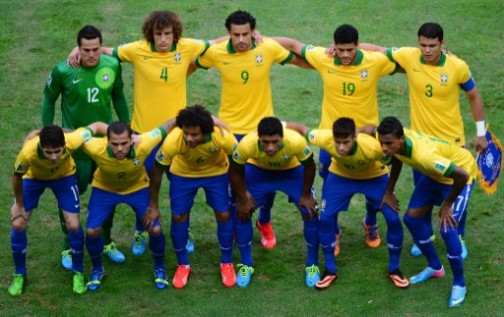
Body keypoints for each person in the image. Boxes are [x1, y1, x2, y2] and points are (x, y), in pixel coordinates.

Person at [360, 22, 487, 258]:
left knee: (457, 192)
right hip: (420, 144)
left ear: (442, 44)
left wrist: (480, 132)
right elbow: (378, 50)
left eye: (432, 45)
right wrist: (347, 47)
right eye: (423, 45)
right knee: (423, 190)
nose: (427, 50)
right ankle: (425, 236)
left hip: (451, 142)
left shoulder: (457, 66)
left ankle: (458, 235)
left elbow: (474, 95)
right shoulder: (410, 57)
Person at [274, 24, 399, 254]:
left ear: (357, 46)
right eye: (340, 49)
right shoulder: (324, 58)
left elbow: (403, 59)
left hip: (368, 141)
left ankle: (370, 222)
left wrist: (442, 56)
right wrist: (256, 40)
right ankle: (335, 230)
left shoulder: (374, 61)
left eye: (349, 50)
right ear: (334, 46)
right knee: (331, 186)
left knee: (374, 186)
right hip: (332, 141)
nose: (344, 55)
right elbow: (293, 45)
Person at [195, 10, 312, 251]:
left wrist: (328, 66)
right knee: (236, 184)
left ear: (253, 32)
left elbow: (296, 58)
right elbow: (191, 63)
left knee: (267, 183)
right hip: (231, 132)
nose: (240, 39)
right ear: (228, 33)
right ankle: (241, 224)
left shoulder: (266, 47)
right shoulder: (216, 52)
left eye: (245, 34)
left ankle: (265, 221)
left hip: (262, 130)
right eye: (235, 34)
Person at [44, 25, 131, 270]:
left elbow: (118, 97)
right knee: (70, 195)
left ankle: (105, 241)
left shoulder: (112, 66)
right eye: (86, 50)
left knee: (108, 193)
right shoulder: (63, 71)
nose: (91, 55)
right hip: (76, 148)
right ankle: (68, 245)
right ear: (78, 48)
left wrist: (126, 127)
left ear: (100, 47)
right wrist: (47, 133)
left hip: (105, 147)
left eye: (95, 49)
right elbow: (49, 100)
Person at [287, 118, 408, 289]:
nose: (341, 147)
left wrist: (389, 192)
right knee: (326, 217)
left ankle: (394, 269)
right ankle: (330, 270)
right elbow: (300, 126)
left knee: (393, 218)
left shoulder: (372, 147)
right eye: (338, 142)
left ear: (355, 138)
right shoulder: (325, 138)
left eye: (346, 142)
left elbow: (397, 160)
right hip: (340, 177)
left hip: (373, 177)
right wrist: (279, 125)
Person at [377, 116, 477, 307]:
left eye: (388, 143)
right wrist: (388, 191)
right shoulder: (394, 144)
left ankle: (459, 284)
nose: (384, 148)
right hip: (434, 176)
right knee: (412, 219)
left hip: (460, 175)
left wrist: (447, 204)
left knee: (447, 230)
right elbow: (396, 158)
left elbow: (461, 176)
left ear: (401, 138)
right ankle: (435, 266)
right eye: (381, 143)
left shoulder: (425, 156)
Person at [144, 105, 237, 289]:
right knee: (178, 216)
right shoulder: (174, 141)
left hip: (216, 173)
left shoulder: (222, 135)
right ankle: (182, 264)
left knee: (224, 214)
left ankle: (226, 262)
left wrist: (241, 195)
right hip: (183, 174)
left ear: (206, 131)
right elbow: (156, 172)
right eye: (186, 133)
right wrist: (153, 205)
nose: (188, 138)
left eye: (194, 135)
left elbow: (238, 161)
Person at [9, 123, 104, 296]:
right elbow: (16, 177)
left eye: (58, 151)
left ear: (64, 145)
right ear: (40, 146)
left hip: (64, 177)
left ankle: (78, 272)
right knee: (18, 225)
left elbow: (96, 127)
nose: (54, 157)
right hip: (34, 179)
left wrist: (128, 135)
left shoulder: (72, 140)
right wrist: (19, 205)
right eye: (48, 152)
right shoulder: (28, 152)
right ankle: (19, 274)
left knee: (74, 225)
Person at [229, 117, 319, 288]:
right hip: (259, 171)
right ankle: (246, 265)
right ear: (258, 137)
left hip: (290, 171)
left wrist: (306, 195)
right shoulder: (247, 144)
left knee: (310, 211)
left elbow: (309, 166)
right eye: (266, 142)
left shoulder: (296, 141)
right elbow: (235, 170)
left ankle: (312, 264)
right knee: (241, 213)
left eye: (275, 142)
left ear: (282, 137)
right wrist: (242, 198)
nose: (270, 147)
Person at [81, 121, 170, 291]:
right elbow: (71, 136)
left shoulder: (144, 142)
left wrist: (206, 119)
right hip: (105, 189)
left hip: (137, 188)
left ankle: (159, 268)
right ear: (107, 141)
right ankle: (97, 270)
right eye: (115, 144)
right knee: (92, 231)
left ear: (132, 139)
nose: (120, 149)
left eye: (124, 143)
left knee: (156, 230)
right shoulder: (94, 146)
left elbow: (166, 127)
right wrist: (39, 132)